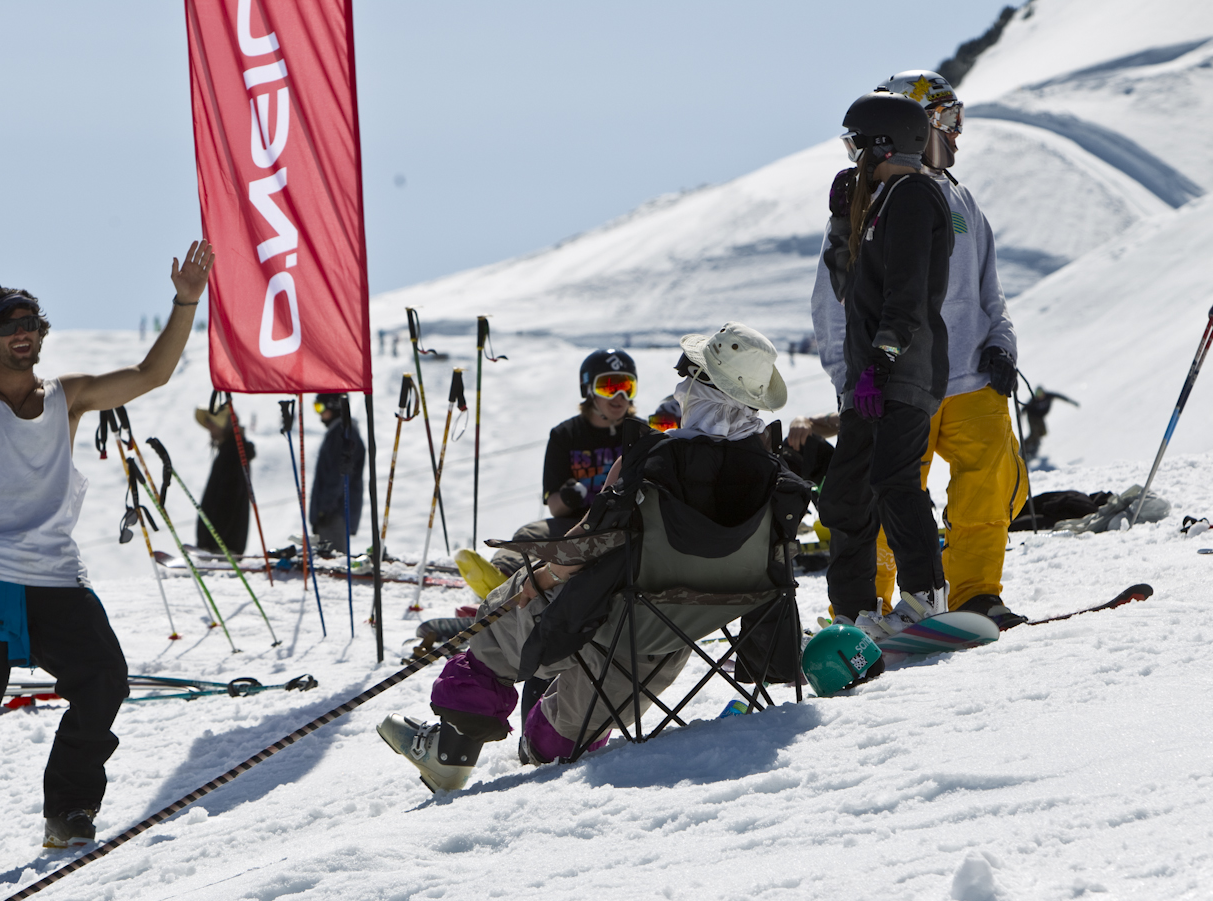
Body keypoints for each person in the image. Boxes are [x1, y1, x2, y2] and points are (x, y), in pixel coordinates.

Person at [0, 224, 214, 873]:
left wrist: (186, 301)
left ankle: (69, 810)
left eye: (29, 321)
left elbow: (152, 373)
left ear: (39, 332)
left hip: (58, 580)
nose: (21, 332)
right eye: (7, 324)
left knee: (105, 679)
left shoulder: (70, 398)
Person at [379, 324, 798, 791]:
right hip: (680, 635)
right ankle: (553, 744)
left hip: (616, 616)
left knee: (504, 611)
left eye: (685, 373)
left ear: (697, 384)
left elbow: (588, 542)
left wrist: (540, 575)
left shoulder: (654, 460)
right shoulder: (774, 477)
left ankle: (450, 752)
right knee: (568, 722)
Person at [813, 71, 1029, 630]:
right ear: (918, 126)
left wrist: (1001, 344)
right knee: (888, 494)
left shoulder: (959, 200)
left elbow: (989, 291)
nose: (958, 136)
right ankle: (874, 607)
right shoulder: (869, 202)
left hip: (971, 377)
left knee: (987, 489)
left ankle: (976, 597)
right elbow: (837, 300)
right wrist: (847, 377)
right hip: (900, 378)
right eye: (950, 122)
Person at [815, 92, 954, 640]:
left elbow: (908, 292)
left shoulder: (915, 195)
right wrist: (839, 222)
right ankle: (853, 614)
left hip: (901, 371)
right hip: (868, 379)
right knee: (844, 495)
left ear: (881, 144)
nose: (851, 155)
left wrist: (882, 361)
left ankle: (926, 597)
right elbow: (850, 287)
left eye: (855, 143)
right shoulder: (879, 202)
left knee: (894, 480)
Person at [486, 349, 653, 577]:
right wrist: (568, 497)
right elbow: (555, 507)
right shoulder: (565, 435)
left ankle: (535, 579)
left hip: (626, 527)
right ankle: (500, 576)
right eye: (609, 387)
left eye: (627, 386)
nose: (620, 396)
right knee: (530, 534)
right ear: (588, 390)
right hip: (576, 525)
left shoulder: (643, 434)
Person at [193, 402, 254, 554]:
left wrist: (210, 543)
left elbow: (228, 502)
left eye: (212, 422)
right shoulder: (230, 451)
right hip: (221, 545)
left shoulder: (233, 454)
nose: (208, 426)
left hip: (222, 548)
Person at [308, 392, 365, 553]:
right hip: (332, 512)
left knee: (330, 565)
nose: (319, 413)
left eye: (320, 407)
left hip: (335, 514)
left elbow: (338, 475)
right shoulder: (339, 432)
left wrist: (324, 509)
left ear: (333, 406)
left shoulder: (342, 434)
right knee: (325, 561)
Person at [1021, 385, 1077, 461]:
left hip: (1040, 417)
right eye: (1037, 394)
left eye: (1040, 393)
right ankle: (1024, 448)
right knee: (1034, 433)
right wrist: (1021, 415)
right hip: (1032, 417)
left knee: (1043, 432)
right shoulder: (1034, 400)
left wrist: (1071, 401)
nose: (1039, 396)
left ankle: (1034, 444)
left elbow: (1060, 396)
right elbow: (1025, 408)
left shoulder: (1049, 396)